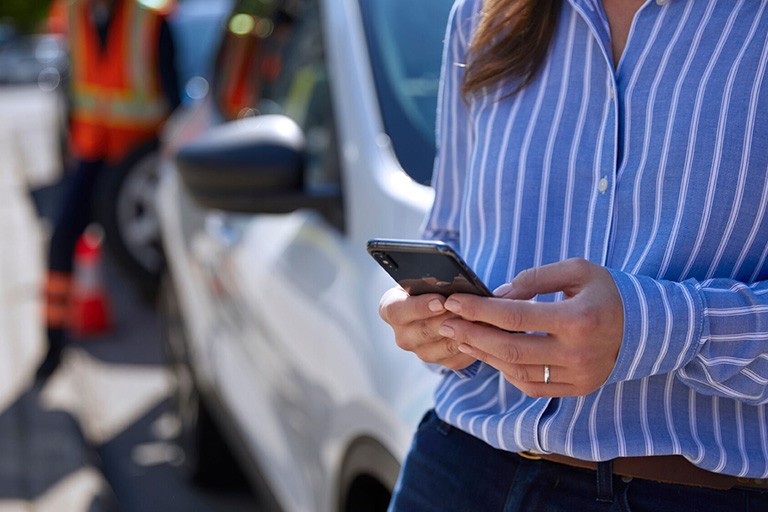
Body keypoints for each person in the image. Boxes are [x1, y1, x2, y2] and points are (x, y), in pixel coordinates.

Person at [379, 0, 768, 510]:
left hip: (692, 493)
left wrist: (656, 328)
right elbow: (453, 230)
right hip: (455, 466)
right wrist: (432, 320)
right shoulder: (480, 13)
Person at [37, 0, 180, 380]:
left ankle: (179, 352)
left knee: (160, 264)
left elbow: (173, 99)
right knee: (61, 238)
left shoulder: (150, 21)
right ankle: (52, 345)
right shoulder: (74, 15)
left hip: (138, 165)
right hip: (92, 152)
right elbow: (73, 86)